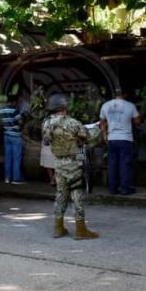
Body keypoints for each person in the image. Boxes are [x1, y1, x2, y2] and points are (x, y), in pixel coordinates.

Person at [43, 93, 101, 240]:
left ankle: (58, 228)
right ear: (64, 107)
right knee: (77, 195)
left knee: (61, 194)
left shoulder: (46, 123)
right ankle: (81, 230)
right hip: (74, 163)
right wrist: (98, 128)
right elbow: (88, 136)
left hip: (58, 163)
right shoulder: (72, 123)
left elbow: (46, 141)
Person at [99, 87, 141, 195]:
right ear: (125, 95)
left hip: (112, 138)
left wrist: (104, 135)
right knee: (125, 164)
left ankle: (112, 189)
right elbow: (137, 121)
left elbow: (102, 123)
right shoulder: (130, 105)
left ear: (115, 94)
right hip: (125, 139)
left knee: (112, 164)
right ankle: (125, 189)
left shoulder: (105, 105)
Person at [0, 94, 25, 184]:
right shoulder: (15, 111)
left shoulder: (0, 111)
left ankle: (7, 178)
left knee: (8, 158)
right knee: (16, 158)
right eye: (16, 102)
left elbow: (1, 123)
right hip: (15, 136)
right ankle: (16, 179)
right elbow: (20, 122)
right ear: (14, 102)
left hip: (6, 136)